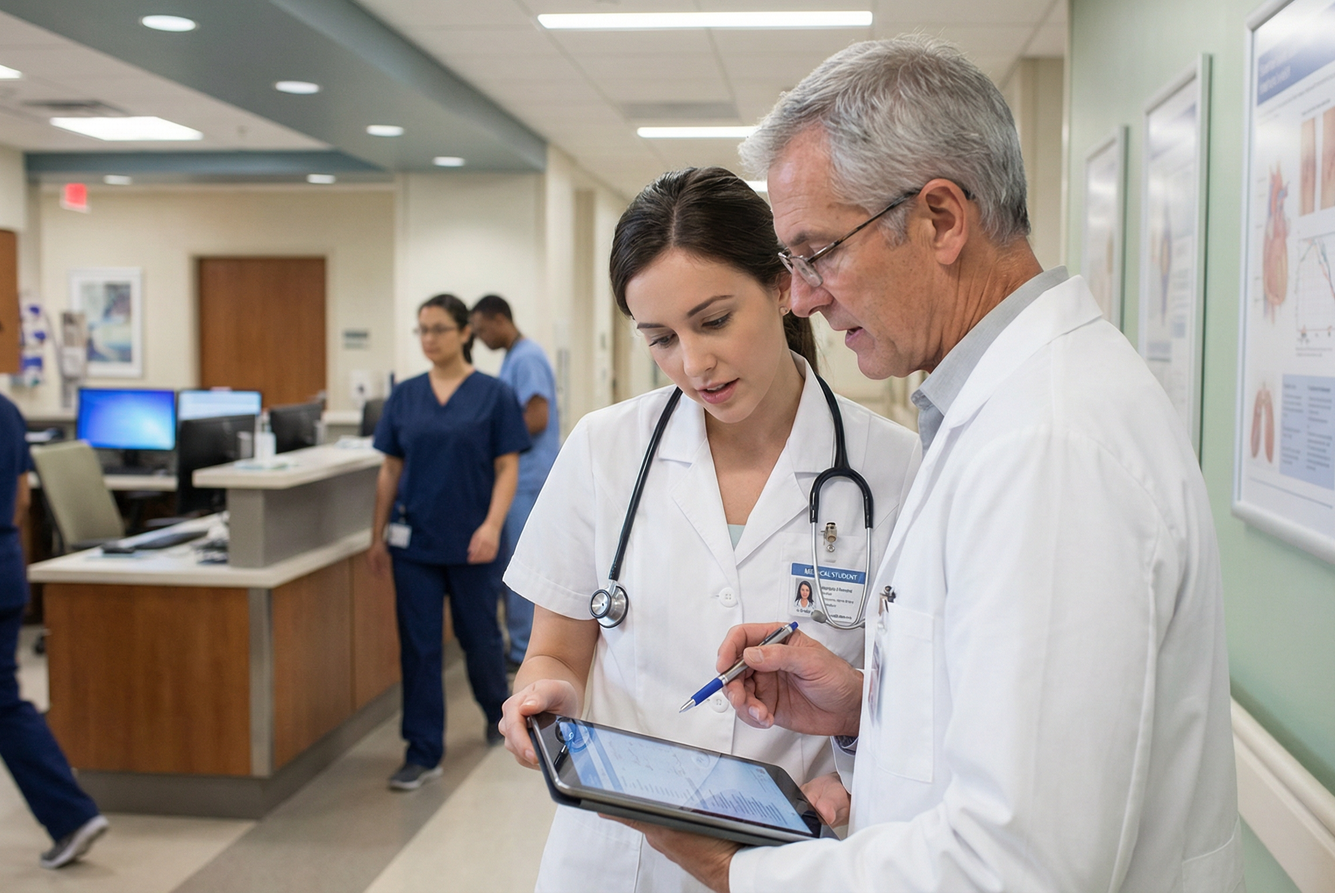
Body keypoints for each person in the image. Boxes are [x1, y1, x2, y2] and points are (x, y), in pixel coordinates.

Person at [624, 37, 1242, 893]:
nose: (801, 296)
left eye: (816, 253)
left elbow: (1019, 864)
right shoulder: (995, 408)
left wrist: (746, 876)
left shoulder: (1047, 445)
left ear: (942, 220)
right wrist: (863, 711)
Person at [496, 166, 921, 892]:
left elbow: (918, 704)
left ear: (783, 285)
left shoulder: (894, 468)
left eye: (714, 319)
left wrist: (857, 751)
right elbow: (554, 655)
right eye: (660, 338)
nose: (693, 363)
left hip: (793, 857)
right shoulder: (606, 450)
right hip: (615, 859)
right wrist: (548, 694)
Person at [0, 291, 109, 869]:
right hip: (1, 577)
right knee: (4, 703)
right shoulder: (6, 411)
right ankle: (74, 816)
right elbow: (20, 501)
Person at [367, 293, 531, 791]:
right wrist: (375, 535)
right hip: (413, 543)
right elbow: (390, 468)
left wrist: (491, 525)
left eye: (438, 329)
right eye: (422, 330)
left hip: (472, 542)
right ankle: (422, 751)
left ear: (464, 333)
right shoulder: (405, 395)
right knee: (418, 648)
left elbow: (508, 466)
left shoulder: (493, 394)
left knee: (479, 638)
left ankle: (493, 709)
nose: (429, 339)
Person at [468, 294, 559, 668]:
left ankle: (523, 650)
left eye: (481, 329)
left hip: (528, 478)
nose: (480, 338)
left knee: (522, 568)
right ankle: (519, 645)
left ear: (499, 319)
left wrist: (491, 442)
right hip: (521, 478)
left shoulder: (527, 358)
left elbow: (536, 416)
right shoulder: (514, 358)